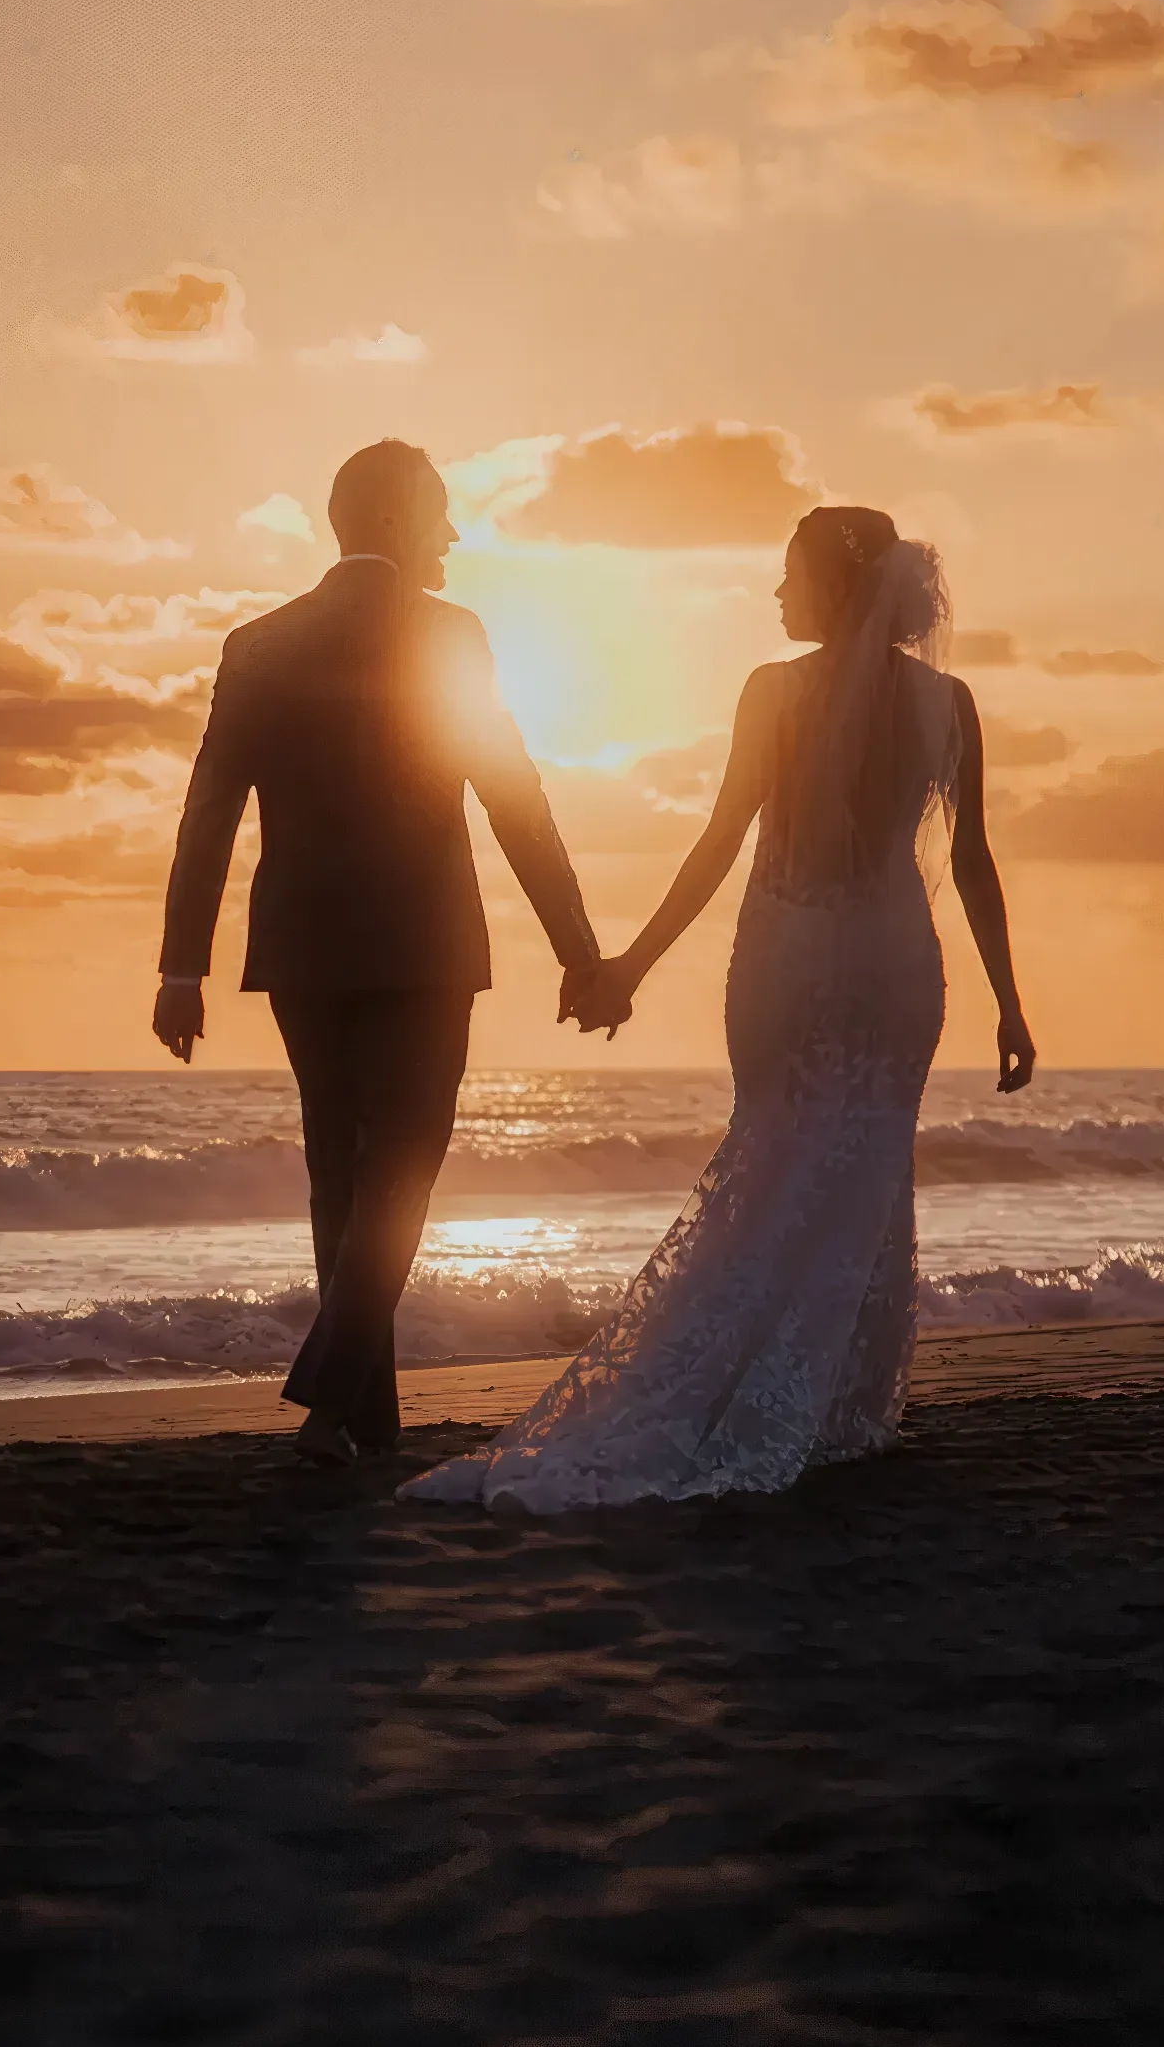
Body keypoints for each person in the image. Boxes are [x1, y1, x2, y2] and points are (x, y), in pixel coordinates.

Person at [402, 504, 1038, 1514]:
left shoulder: (772, 693)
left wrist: (628, 967)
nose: (777, 593)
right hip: (890, 966)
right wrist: (1008, 1001)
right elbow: (970, 863)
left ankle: (774, 1385)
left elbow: (718, 844)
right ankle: (834, 1401)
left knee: (776, 1152)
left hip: (787, 956)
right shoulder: (946, 701)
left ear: (835, 587)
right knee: (863, 1169)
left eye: (789, 576)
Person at [151, 439, 602, 1463]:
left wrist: (182, 965)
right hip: (427, 943)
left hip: (302, 948)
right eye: (440, 512)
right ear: (397, 518)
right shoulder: (451, 634)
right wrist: (575, 945)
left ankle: (366, 1420)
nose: (451, 534)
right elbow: (511, 795)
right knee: (400, 1168)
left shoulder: (258, 641)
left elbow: (208, 808)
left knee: (337, 1176)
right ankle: (329, 1398)